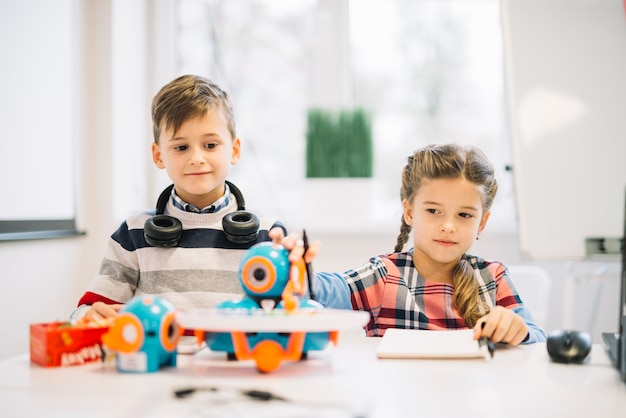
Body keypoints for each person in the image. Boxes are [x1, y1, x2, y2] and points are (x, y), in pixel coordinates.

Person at [272, 143, 546, 345]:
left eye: (464, 215)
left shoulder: (493, 278)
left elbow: (536, 338)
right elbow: (323, 291)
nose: (448, 225)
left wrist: (517, 328)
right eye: (433, 211)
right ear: (410, 212)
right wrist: (292, 268)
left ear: (482, 223)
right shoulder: (385, 276)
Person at [72, 74, 285, 321]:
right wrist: (85, 317)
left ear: (234, 150)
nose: (196, 158)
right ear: (158, 155)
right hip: (162, 359)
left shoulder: (269, 235)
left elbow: (293, 311)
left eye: (210, 145)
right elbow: (89, 311)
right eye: (181, 147)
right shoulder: (133, 233)